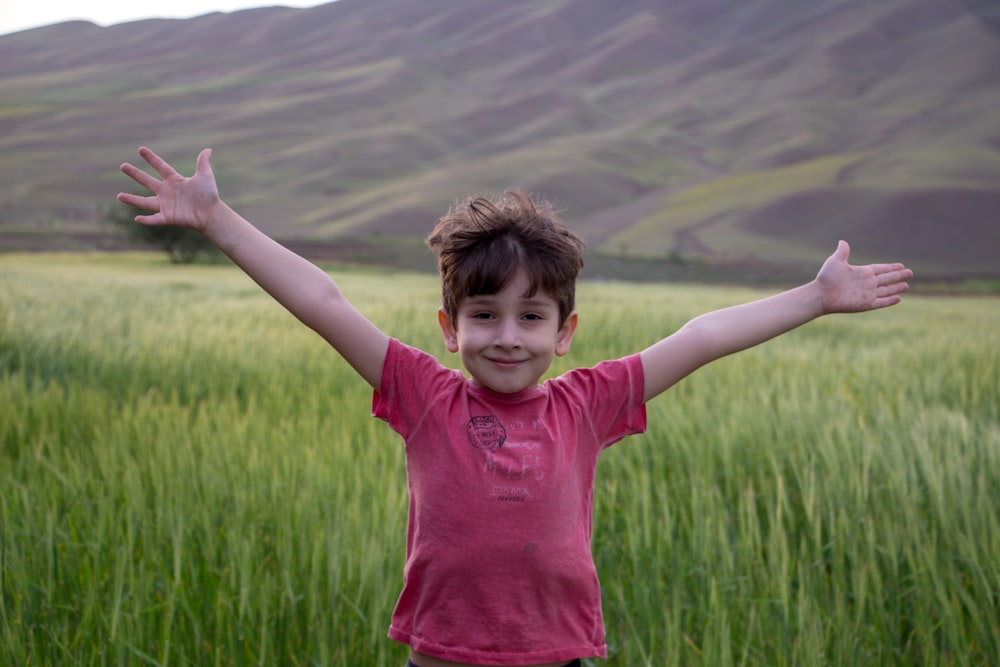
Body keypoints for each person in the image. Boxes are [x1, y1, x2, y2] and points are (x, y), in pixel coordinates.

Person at [118, 146, 912, 667]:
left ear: (565, 332)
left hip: (557, 655)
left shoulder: (588, 403)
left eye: (532, 317)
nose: (507, 336)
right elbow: (322, 300)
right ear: (449, 327)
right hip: (441, 654)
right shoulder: (423, 395)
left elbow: (701, 335)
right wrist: (217, 220)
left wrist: (814, 297)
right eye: (484, 315)